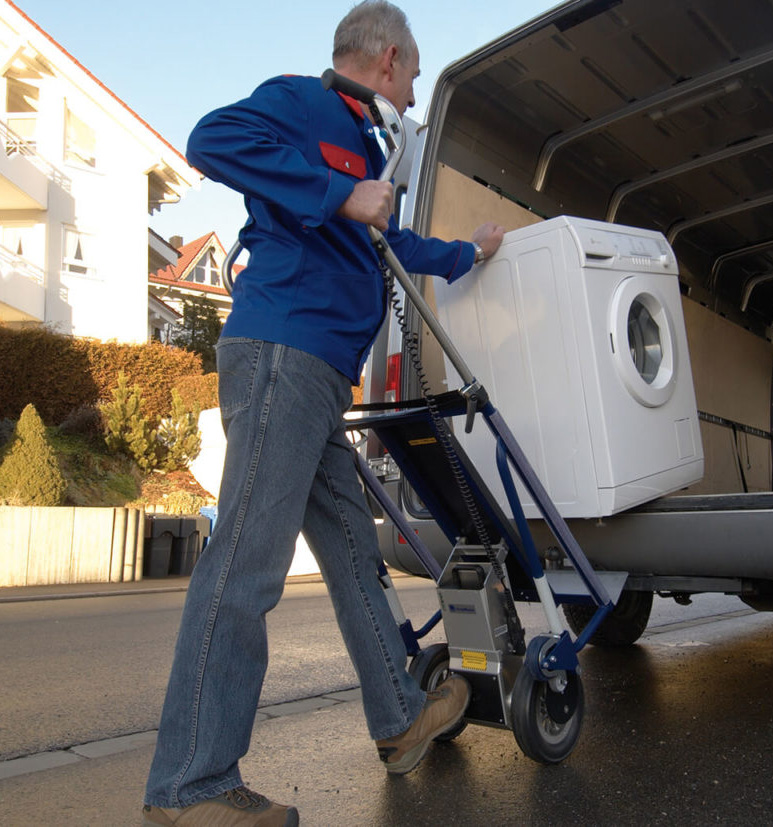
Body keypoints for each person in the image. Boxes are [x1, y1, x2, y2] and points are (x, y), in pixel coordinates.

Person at [142, 2, 504, 824]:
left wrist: (468, 252)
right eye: (411, 75)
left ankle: (399, 716)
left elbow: (394, 246)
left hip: (316, 373)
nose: (412, 93)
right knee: (245, 564)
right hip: (281, 353)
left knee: (348, 545)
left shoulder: (372, 146)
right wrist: (338, 194)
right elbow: (209, 141)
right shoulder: (301, 104)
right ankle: (189, 787)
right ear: (386, 60)